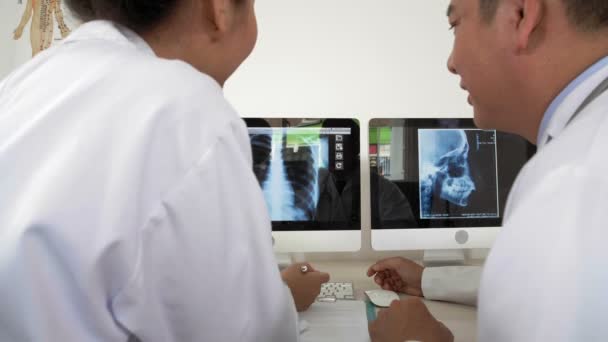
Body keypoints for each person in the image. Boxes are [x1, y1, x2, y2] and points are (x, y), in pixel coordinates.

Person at [0, 0, 329, 341]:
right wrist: (282, 300)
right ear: (219, 10)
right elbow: (249, 334)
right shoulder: (185, 108)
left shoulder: (23, 84)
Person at [368, 0, 608, 341]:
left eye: (456, 25)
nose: (451, 63)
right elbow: (547, 281)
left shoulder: (575, 178)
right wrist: (427, 279)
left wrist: (423, 339)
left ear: (522, 15)